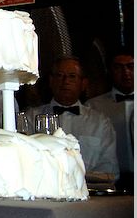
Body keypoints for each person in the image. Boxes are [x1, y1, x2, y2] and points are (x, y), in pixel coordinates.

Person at [28, 56, 119, 181]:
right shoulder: (31, 118)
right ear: (51, 80)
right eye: (60, 75)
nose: (65, 81)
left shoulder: (100, 123)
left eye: (72, 76)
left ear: (83, 84)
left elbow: (109, 169)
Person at [86, 50, 134, 189]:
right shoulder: (93, 106)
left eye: (131, 66)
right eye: (118, 67)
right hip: (108, 180)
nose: (126, 73)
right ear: (109, 71)